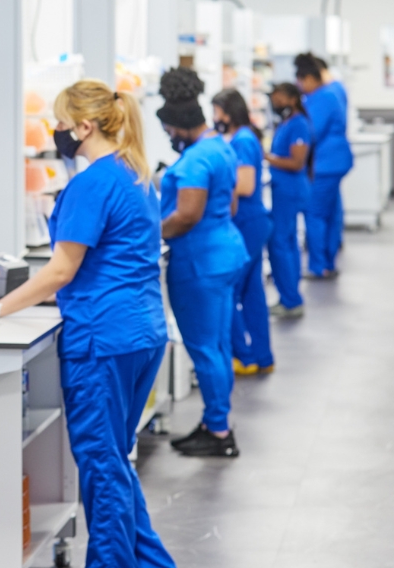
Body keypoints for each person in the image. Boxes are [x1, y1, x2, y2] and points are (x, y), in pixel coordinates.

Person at [0, 79, 178, 568]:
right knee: (114, 454)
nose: (59, 133)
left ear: (84, 126)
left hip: (102, 339)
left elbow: (60, 271)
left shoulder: (91, 184)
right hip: (141, 331)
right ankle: (149, 561)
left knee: (98, 459)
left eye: (63, 124)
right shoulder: (135, 174)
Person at [158, 67, 249, 458]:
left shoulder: (195, 161)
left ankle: (218, 432)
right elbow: (229, 202)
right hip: (227, 252)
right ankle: (217, 419)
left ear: (178, 127)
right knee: (219, 344)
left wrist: (150, 232)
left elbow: (186, 215)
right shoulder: (221, 147)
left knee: (204, 348)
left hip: (200, 265)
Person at [211, 89, 274, 375]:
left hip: (247, 223)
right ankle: (262, 356)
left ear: (228, 111)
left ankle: (244, 356)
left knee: (230, 291)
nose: (215, 118)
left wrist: (211, 184)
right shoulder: (242, 139)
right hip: (252, 223)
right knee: (252, 293)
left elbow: (246, 186)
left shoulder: (244, 141)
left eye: (217, 112)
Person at [295, 53, 353, 279]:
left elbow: (311, 132)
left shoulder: (321, 98)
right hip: (334, 162)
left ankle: (319, 266)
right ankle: (328, 260)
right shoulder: (333, 92)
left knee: (316, 213)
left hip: (325, 165)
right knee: (332, 211)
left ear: (309, 78)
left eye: (300, 81)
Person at [264, 83, 312, 319]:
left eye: (279, 98)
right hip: (283, 190)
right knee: (287, 242)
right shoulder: (286, 123)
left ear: (292, 99)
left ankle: (291, 299)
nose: (276, 103)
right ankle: (289, 297)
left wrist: (266, 157)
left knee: (281, 244)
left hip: (290, 191)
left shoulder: (299, 124)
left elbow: (296, 162)